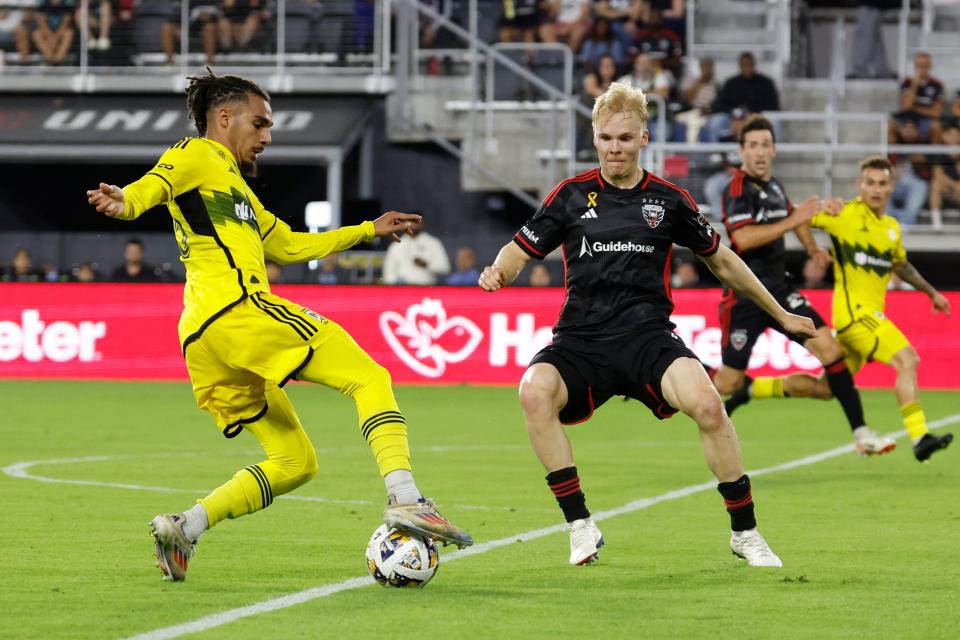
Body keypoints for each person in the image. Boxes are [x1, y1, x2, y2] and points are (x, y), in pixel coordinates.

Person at [86, 70, 473, 582]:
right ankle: (405, 498)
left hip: (205, 338)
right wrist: (129, 200)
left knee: (294, 461)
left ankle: (186, 526)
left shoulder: (234, 191)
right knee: (370, 377)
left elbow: (288, 245)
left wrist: (367, 230)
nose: (267, 136)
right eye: (260, 123)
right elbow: (159, 182)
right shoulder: (197, 153)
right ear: (224, 118)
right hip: (237, 311)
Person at [478, 82, 818, 568]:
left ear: (643, 138)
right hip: (582, 339)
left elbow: (724, 261)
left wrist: (782, 315)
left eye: (624, 137)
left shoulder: (669, 200)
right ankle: (579, 525)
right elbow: (519, 250)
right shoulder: (570, 197)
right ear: (594, 138)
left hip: (646, 337)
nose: (614, 147)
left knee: (708, 405)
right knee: (533, 391)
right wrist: (499, 271)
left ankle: (745, 533)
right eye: (605, 138)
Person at [741, 156, 953, 462]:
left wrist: (932, 292)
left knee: (826, 389)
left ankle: (751, 389)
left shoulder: (891, 228)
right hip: (856, 315)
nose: (876, 189)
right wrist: (815, 241)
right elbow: (799, 215)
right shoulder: (844, 214)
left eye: (882, 183)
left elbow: (901, 265)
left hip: (865, 319)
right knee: (908, 359)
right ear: (859, 185)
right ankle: (920, 437)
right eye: (870, 183)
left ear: (891, 187)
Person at [714, 115, 894, 457]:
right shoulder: (736, 188)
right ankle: (664, 372)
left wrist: (812, 246)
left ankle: (862, 433)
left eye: (766, 144)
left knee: (831, 352)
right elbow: (744, 238)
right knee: (727, 383)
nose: (760, 152)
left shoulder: (776, 187)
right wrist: (796, 219)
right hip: (746, 296)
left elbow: (795, 214)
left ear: (774, 149)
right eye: (753, 145)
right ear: (742, 151)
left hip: (781, 292)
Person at [705, 52, 780, 143]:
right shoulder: (731, 83)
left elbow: (773, 106)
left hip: (758, 117)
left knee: (774, 121)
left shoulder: (766, 83)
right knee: (716, 121)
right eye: (744, 64)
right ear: (740, 65)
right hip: (733, 119)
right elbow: (719, 105)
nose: (747, 67)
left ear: (754, 65)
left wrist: (750, 115)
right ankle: (715, 153)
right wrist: (734, 114)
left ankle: (771, 153)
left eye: (749, 64)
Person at [891, 52, 944, 144]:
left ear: (930, 66)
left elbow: (936, 112)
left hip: (925, 120)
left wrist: (915, 108)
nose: (922, 68)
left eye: (925, 65)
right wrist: (914, 85)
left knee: (936, 126)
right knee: (889, 126)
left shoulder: (936, 84)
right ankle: (891, 157)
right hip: (906, 118)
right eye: (919, 65)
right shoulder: (907, 82)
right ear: (915, 66)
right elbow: (906, 106)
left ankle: (936, 158)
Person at [381, 219, 450, 285]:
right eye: (410, 222)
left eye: (415, 222)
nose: (412, 224)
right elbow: (388, 272)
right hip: (403, 290)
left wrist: (426, 265)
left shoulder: (433, 243)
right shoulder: (396, 245)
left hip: (427, 288)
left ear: (421, 223)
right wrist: (394, 286)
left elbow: (444, 269)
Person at [929, 120, 960, 227]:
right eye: (951, 134)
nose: (954, 137)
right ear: (944, 136)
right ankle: (936, 222)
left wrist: (956, 159)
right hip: (948, 189)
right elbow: (938, 175)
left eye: (957, 135)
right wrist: (955, 185)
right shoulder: (940, 152)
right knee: (935, 184)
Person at [30, 0, 76, 65]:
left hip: (61, 31)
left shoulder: (67, 2)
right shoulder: (43, 2)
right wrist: (51, 37)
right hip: (47, 31)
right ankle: (51, 60)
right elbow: (42, 23)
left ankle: (58, 60)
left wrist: (56, 38)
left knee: (69, 33)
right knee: (36, 34)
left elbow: (65, 22)